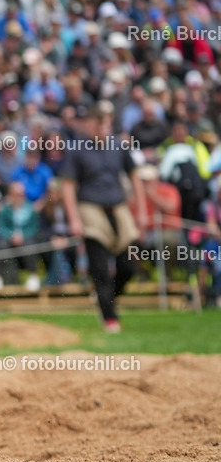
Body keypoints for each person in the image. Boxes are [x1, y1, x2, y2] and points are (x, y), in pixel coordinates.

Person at [61, 112, 146, 333]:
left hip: (118, 207)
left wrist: (142, 211)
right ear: (89, 124)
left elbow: (135, 175)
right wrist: (73, 219)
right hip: (89, 208)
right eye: (98, 121)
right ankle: (110, 317)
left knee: (128, 266)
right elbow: (68, 185)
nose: (102, 126)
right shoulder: (77, 149)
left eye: (105, 121)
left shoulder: (119, 146)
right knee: (99, 269)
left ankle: (107, 300)